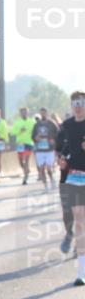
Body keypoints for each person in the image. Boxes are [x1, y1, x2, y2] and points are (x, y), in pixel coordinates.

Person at [58, 91, 85, 284]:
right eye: (75, 102)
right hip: (75, 177)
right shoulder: (66, 126)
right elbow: (64, 148)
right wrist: (62, 160)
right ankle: (81, 273)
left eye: (81, 102)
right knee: (80, 222)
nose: (78, 106)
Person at [33, 107, 60, 190]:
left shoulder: (51, 123)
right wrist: (36, 138)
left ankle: (52, 180)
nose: (43, 114)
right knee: (41, 169)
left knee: (48, 168)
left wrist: (53, 139)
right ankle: (45, 186)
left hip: (49, 149)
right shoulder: (37, 124)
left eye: (44, 113)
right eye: (41, 113)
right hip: (40, 149)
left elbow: (58, 134)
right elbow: (33, 136)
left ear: (47, 113)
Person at [11, 107, 36, 185]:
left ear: (28, 113)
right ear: (20, 113)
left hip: (29, 143)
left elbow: (35, 131)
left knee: (26, 160)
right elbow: (12, 132)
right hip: (20, 144)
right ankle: (26, 170)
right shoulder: (17, 122)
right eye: (22, 112)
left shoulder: (32, 121)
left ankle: (25, 178)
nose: (24, 113)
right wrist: (19, 131)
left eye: (25, 112)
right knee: (21, 162)